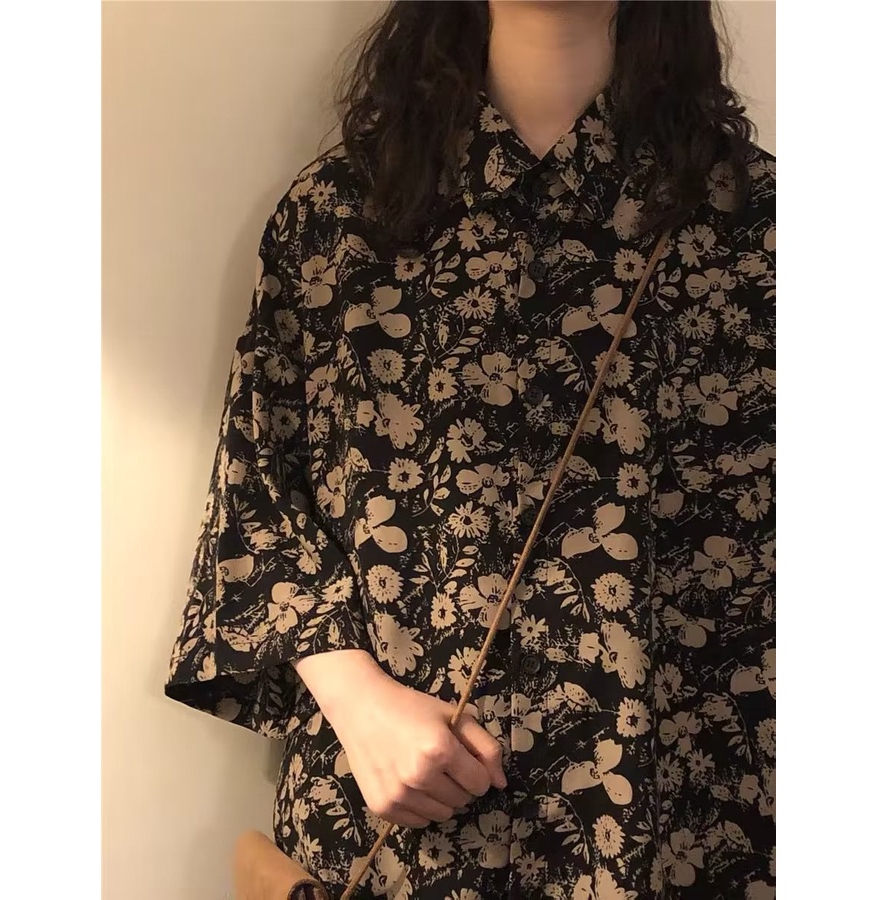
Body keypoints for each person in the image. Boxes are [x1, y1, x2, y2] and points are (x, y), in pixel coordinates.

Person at [165, 1, 775, 898]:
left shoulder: (760, 230)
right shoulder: (340, 218)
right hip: (399, 839)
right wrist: (356, 701)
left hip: (677, 824)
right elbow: (257, 497)